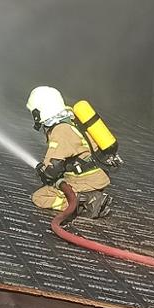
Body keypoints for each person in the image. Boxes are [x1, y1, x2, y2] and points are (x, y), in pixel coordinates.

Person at [25, 85, 112, 219]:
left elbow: (51, 170)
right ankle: (89, 196)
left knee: (40, 197)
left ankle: (86, 203)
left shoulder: (61, 131)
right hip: (96, 175)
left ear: (38, 112)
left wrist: (43, 171)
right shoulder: (71, 118)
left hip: (85, 181)